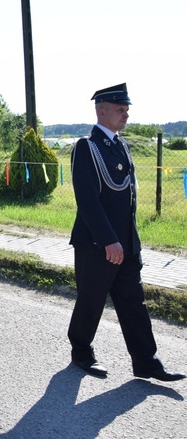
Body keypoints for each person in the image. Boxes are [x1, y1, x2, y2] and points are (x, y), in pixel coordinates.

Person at [67, 83, 184, 381]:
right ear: (101, 111)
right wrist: (108, 240)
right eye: (120, 110)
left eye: (126, 109)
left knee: (134, 303)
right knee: (91, 300)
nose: (126, 114)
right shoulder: (87, 147)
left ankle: (146, 361)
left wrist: (128, 241)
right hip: (98, 243)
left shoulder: (121, 144)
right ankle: (81, 351)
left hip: (127, 243)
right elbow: (88, 200)